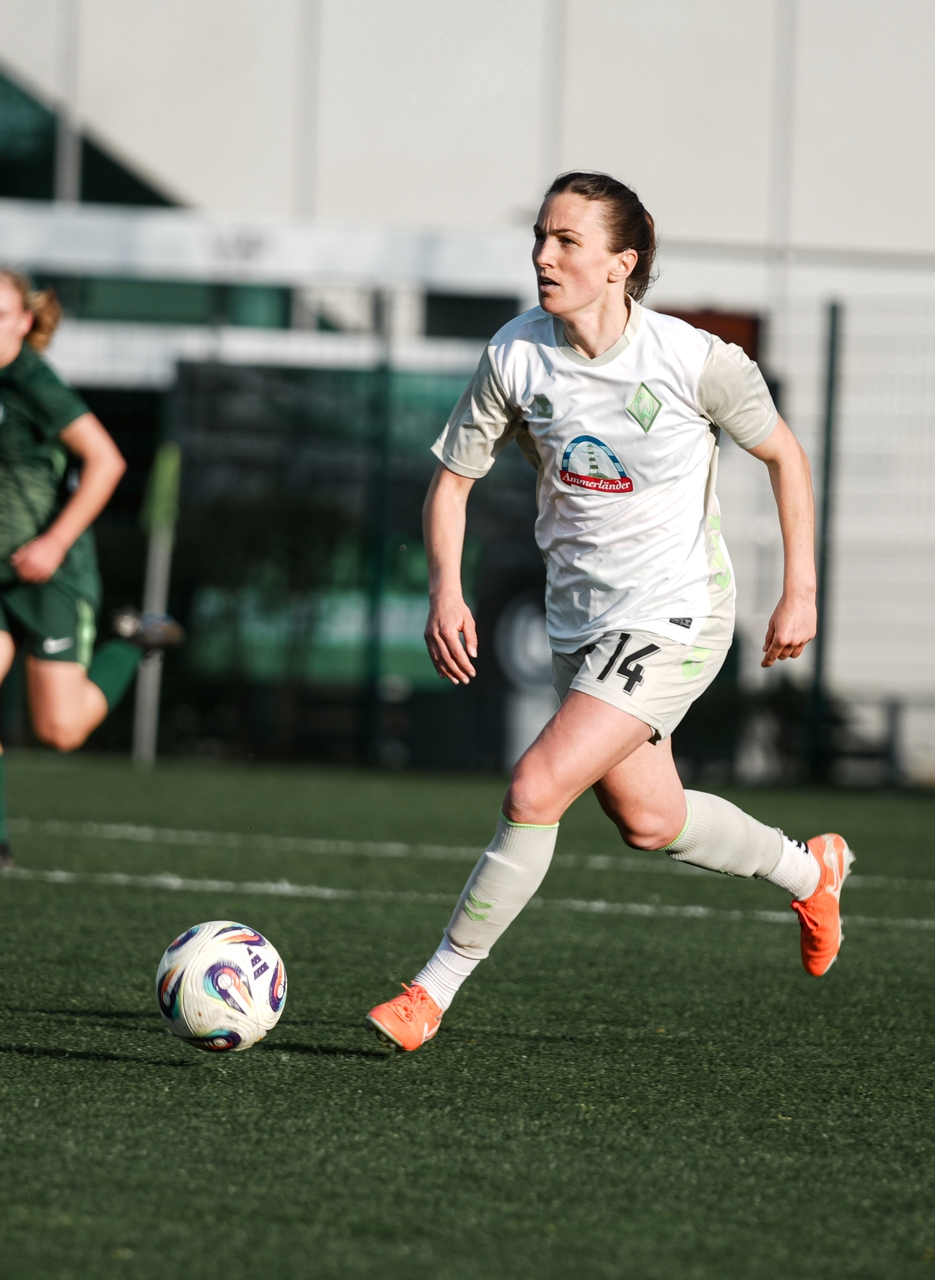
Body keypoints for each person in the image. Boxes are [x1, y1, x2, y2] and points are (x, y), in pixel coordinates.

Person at [365, 172, 846, 1052]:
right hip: (578, 623)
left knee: (536, 786)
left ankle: (431, 990)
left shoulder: (695, 361)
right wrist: (446, 587)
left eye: (568, 242)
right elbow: (452, 485)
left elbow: (785, 457)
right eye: (541, 238)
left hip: (676, 614)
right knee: (649, 822)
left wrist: (802, 589)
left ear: (622, 264)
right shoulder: (516, 354)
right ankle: (811, 871)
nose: (545, 257)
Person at [0, 266, 180, 871]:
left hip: (52, 573)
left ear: (25, 321)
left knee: (60, 731)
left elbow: (107, 462)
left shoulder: (35, 381)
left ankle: (130, 642)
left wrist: (52, 542)